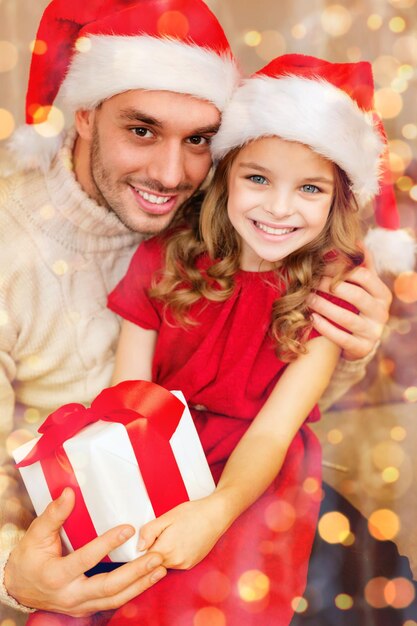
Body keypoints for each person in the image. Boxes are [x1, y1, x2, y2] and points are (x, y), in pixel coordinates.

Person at [0, 0, 402, 620]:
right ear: (83, 115)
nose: (169, 173)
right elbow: (127, 402)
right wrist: (17, 576)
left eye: (198, 141)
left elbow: (281, 401)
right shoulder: (28, 248)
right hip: (98, 494)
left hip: (256, 478)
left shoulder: (222, 226)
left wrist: (352, 342)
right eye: (141, 129)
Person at [101, 54, 413, 626]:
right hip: (161, 449)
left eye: (310, 188)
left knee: (208, 603)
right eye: (258, 178)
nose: (278, 207)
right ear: (225, 175)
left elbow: (274, 430)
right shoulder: (163, 257)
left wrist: (217, 511)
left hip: (258, 472)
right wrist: (131, 485)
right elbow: (128, 397)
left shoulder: (332, 290)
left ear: (339, 198)